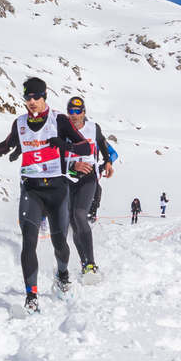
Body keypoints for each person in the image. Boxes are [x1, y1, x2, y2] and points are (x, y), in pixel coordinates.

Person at [0, 77, 93, 311]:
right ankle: (31, 296)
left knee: (59, 242)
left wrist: (66, 145)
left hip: (57, 190)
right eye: (27, 97)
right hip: (31, 189)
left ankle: (62, 276)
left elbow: (85, 147)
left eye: (36, 97)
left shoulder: (59, 120)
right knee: (28, 242)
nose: (31, 102)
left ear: (44, 97)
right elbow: (8, 144)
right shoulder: (20, 123)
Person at [64, 95, 117, 276]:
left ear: (84, 112)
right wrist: (72, 166)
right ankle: (84, 262)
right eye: (71, 111)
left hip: (88, 178)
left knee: (79, 215)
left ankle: (91, 264)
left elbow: (103, 145)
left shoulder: (93, 128)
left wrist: (108, 162)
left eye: (78, 111)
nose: (74, 115)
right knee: (72, 220)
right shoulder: (61, 129)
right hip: (69, 177)